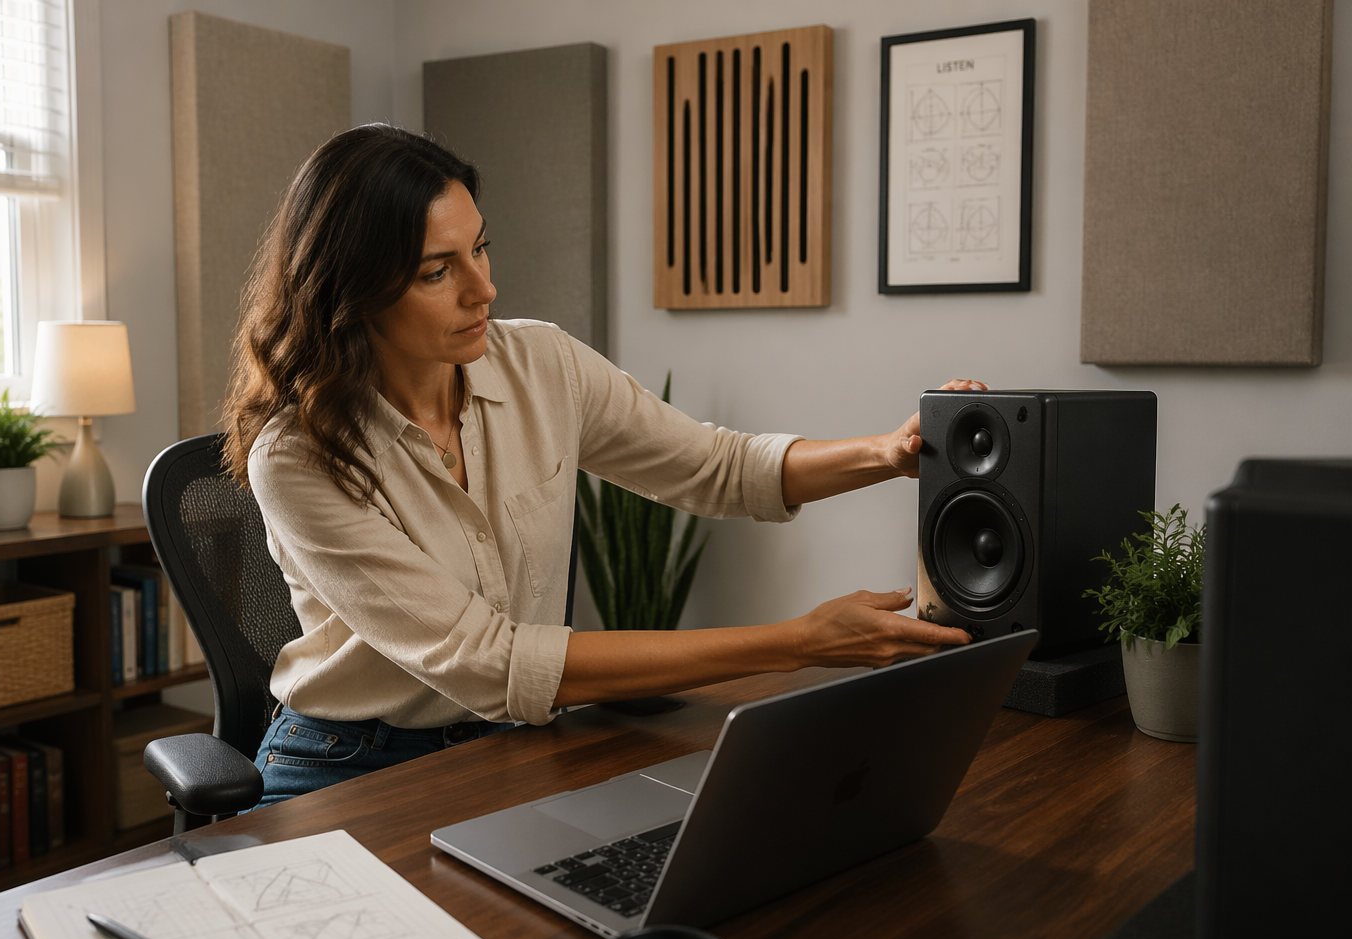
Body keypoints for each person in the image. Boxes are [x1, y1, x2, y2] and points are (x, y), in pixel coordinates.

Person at [224, 124, 983, 808]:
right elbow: (492, 662)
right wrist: (798, 643)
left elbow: (719, 467)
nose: (483, 288)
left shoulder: (540, 363)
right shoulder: (297, 458)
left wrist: (887, 454)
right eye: (436, 272)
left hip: (517, 743)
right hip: (349, 764)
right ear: (350, 292)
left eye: (481, 248)